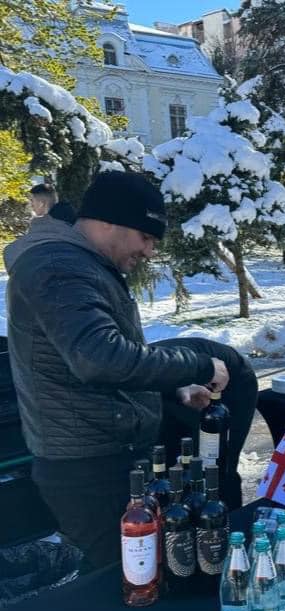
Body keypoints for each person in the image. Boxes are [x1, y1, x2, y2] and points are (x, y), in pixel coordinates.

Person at [4, 171, 256, 569]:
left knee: (146, 572)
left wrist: (173, 386)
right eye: (146, 237)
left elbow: (98, 360)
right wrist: (197, 364)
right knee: (122, 580)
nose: (150, 252)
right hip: (89, 470)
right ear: (109, 222)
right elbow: (100, 358)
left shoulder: (81, 263)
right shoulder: (58, 266)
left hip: (111, 455)